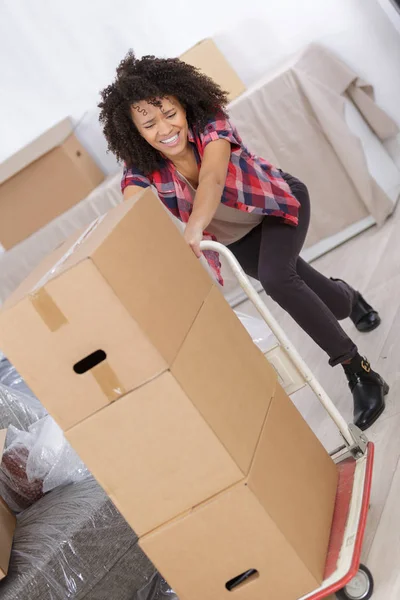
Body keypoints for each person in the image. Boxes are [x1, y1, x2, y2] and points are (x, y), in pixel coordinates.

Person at [99, 51, 389, 431]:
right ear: (135, 131)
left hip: (278, 205)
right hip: (240, 239)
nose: (164, 129)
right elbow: (131, 211)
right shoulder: (142, 167)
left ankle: (361, 372)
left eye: (170, 114)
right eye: (149, 123)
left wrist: (193, 228)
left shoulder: (211, 124)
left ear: (185, 107)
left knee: (277, 279)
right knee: (323, 300)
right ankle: (348, 296)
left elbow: (214, 180)